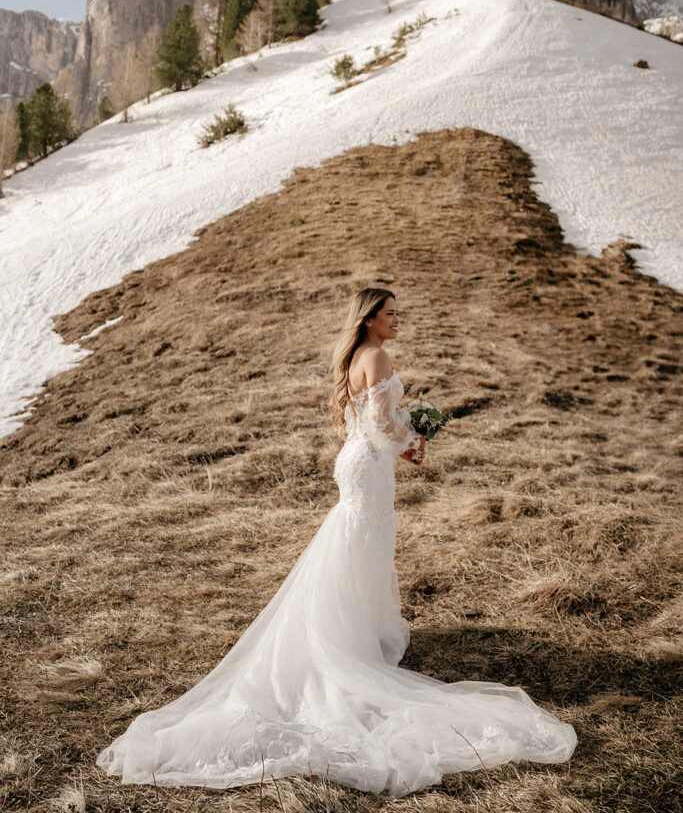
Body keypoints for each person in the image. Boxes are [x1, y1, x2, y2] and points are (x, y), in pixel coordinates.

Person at [96, 286, 577, 795]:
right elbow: (381, 427)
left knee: (353, 547)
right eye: (391, 314)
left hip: (357, 464)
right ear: (370, 318)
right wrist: (415, 442)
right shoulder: (378, 354)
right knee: (361, 546)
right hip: (369, 466)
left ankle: (347, 636)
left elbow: (371, 422)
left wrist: (403, 436)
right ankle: (346, 652)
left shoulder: (357, 357)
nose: (399, 320)